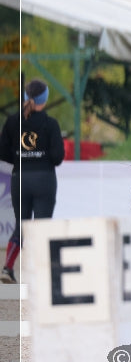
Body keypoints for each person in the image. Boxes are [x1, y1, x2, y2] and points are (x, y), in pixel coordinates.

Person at [0, 79, 65, 284]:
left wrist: (21, 158)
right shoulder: (50, 124)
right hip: (44, 179)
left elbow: (3, 152)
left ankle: (7, 268)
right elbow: (58, 157)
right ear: (44, 100)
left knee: (21, 225)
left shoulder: (11, 121)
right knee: (42, 226)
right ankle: (42, 274)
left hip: (20, 178)